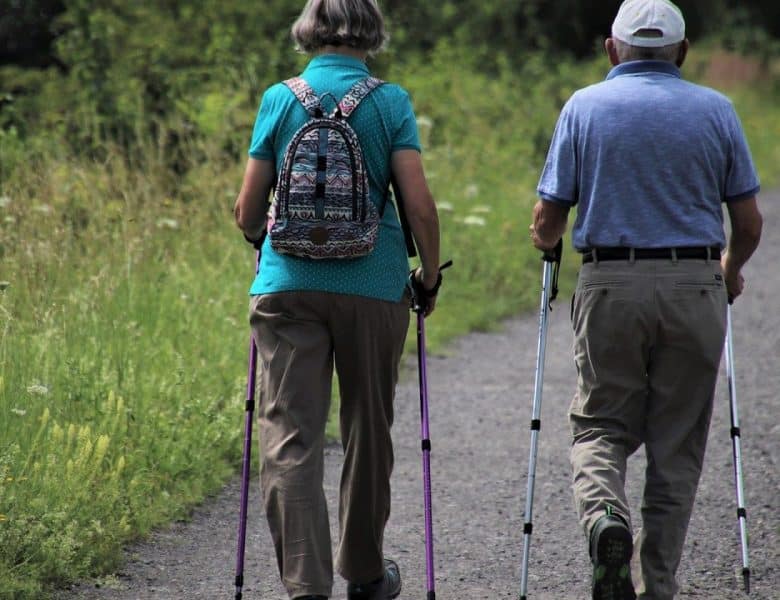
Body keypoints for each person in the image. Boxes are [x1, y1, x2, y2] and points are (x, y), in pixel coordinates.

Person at [530, 1, 763, 598]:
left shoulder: (584, 106)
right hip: (694, 284)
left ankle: (606, 516)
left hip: (611, 283)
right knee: (676, 444)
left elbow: (549, 215)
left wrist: (546, 240)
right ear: (683, 53)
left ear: (613, 49)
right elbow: (748, 220)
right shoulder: (717, 110)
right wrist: (729, 270)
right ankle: (657, 583)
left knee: (599, 425)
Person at [233, 1, 441, 598]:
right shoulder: (390, 101)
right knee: (367, 428)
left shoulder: (280, 98)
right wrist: (426, 274)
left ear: (308, 32)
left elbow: (249, 211)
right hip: (374, 285)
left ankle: (306, 586)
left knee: (291, 436)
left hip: (288, 287)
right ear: (371, 34)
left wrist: (261, 239)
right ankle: (367, 574)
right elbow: (419, 205)